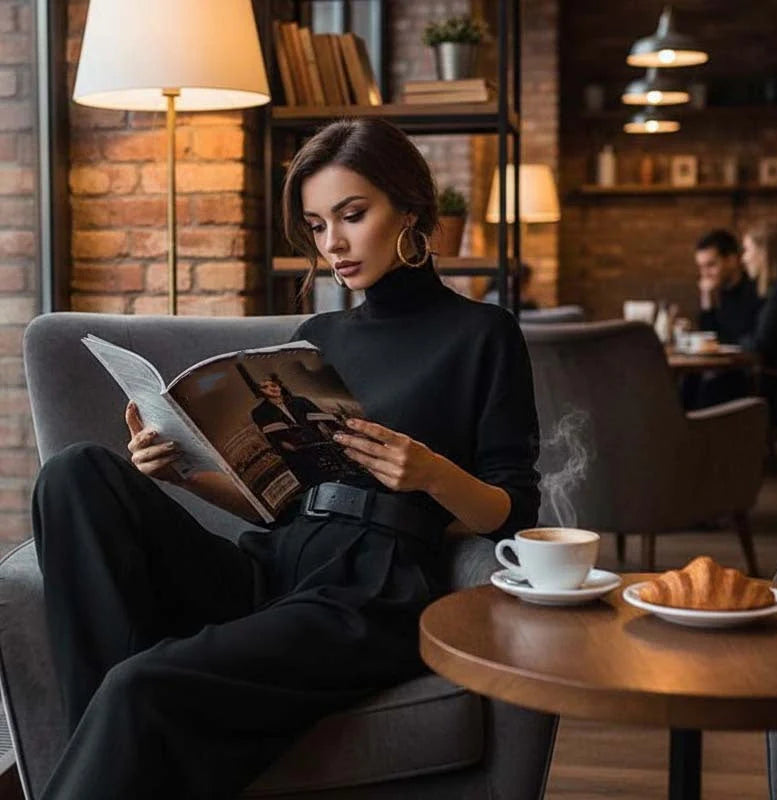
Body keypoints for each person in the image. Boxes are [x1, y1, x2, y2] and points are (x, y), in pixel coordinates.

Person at [32, 117, 540, 799]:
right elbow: (279, 504)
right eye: (318, 225)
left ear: (411, 208)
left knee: (139, 683)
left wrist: (431, 474)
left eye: (352, 215)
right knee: (77, 473)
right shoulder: (316, 338)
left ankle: (113, 751)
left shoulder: (484, 333)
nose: (334, 243)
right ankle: (117, 756)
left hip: (370, 592)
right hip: (274, 565)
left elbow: (515, 512)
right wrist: (184, 471)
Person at [684, 228, 762, 409]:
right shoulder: (719, 293)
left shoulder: (755, 290)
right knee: (686, 383)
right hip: (724, 367)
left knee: (707, 388)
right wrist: (707, 302)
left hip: (748, 373)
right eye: (701, 267)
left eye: (711, 265)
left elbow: (740, 336)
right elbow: (709, 339)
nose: (705, 274)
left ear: (732, 260)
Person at [741, 220, 777, 427]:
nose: (744, 258)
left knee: (717, 387)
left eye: (747, 250)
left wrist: (740, 342)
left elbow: (760, 344)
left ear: (764, 253)